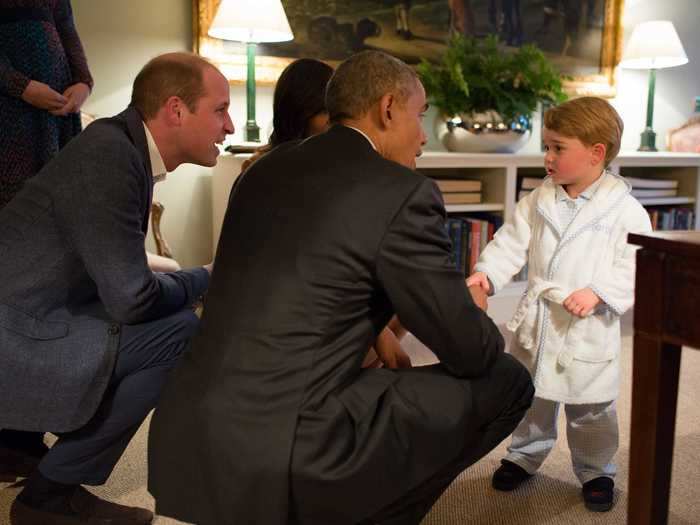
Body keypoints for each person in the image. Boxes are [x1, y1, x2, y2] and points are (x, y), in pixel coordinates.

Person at [148, 50, 534, 525]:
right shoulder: (402, 193)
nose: (424, 135)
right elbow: (470, 352)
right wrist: (472, 309)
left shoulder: (261, 171)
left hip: (187, 432)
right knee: (509, 379)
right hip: (288, 447)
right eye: (421, 114)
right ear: (388, 108)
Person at [0, 52, 234, 525]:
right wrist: (209, 276)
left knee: (166, 315)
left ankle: (14, 445)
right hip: (19, 331)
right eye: (220, 109)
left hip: (29, 310)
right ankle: (49, 496)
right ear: (175, 109)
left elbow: (112, 268)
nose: (228, 126)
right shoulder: (111, 156)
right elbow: (132, 299)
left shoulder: (118, 145)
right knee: (178, 332)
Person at [467, 97, 652, 512]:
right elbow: (509, 242)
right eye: (545, 147)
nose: (547, 157)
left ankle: (597, 469)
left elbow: (635, 262)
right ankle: (523, 455)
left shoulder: (625, 211)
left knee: (591, 407)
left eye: (557, 148)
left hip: (588, 325)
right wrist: (487, 275)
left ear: (596, 152)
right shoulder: (538, 200)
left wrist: (601, 291)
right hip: (541, 319)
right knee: (533, 396)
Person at [0, 0, 92, 210]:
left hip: (59, 113)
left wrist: (83, 82)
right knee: (16, 207)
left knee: (60, 201)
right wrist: (23, 88)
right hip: (10, 112)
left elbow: (67, 30)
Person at [241, 58, 334, 172]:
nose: (335, 120)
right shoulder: (258, 168)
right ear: (299, 112)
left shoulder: (343, 163)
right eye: (325, 111)